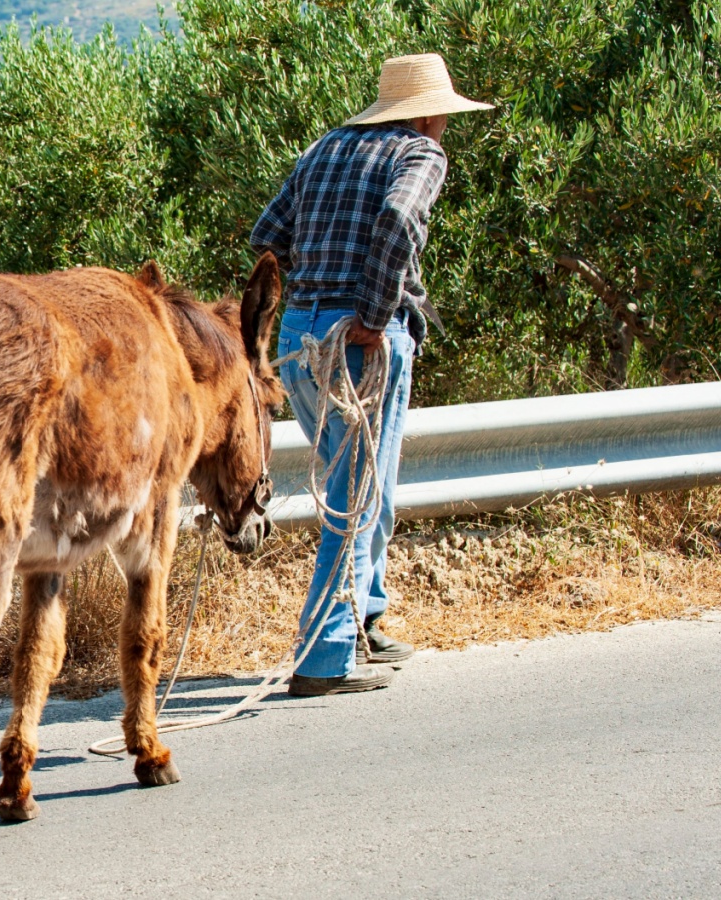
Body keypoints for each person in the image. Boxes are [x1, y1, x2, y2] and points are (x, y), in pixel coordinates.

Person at [250, 53, 493, 696]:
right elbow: (399, 220)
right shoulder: (421, 155)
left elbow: (267, 234)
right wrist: (372, 311)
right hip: (358, 341)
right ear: (434, 112)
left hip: (303, 337)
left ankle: (365, 619)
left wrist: (312, 294)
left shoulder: (327, 146)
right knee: (354, 501)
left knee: (365, 482)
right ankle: (324, 659)